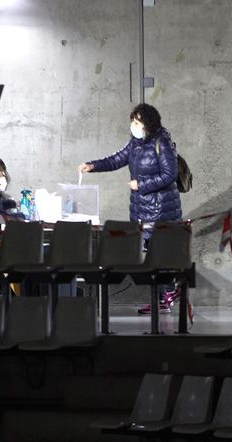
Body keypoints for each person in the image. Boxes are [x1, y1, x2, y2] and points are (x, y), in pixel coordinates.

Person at [78, 103, 182, 314]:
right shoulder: (135, 143)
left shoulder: (162, 142)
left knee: (160, 254)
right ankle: (163, 297)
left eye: (137, 122)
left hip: (160, 209)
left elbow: (169, 174)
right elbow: (116, 159)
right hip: (142, 209)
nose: (134, 126)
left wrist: (141, 185)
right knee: (152, 256)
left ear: (148, 122)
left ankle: (169, 293)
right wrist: (93, 166)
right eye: (132, 122)